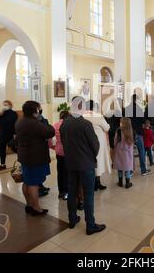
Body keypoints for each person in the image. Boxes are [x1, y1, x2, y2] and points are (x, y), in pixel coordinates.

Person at [60, 97, 106, 235]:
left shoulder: (64, 124)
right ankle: (90, 225)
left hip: (71, 163)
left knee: (72, 191)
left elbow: (63, 142)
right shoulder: (85, 124)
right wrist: (91, 155)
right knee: (88, 194)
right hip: (86, 164)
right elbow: (95, 145)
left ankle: (72, 219)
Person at [15, 101, 55, 216]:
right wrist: (45, 122)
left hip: (24, 156)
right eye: (39, 109)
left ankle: (29, 205)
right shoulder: (34, 123)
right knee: (34, 183)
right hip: (35, 157)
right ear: (35, 111)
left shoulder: (20, 121)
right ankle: (36, 208)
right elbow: (50, 132)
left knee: (26, 181)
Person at [83, 100, 112, 191]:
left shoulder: (82, 116)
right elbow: (106, 127)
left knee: (89, 161)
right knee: (98, 162)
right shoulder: (98, 116)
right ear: (94, 107)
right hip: (98, 141)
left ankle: (91, 183)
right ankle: (97, 183)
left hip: (86, 142)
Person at [124, 94, 152, 176]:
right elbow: (143, 120)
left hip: (129, 133)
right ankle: (143, 170)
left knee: (130, 152)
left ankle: (130, 170)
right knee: (141, 151)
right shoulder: (138, 109)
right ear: (136, 100)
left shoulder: (126, 109)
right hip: (138, 133)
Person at [50, 110, 70, 200]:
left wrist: (53, 147)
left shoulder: (55, 125)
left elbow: (49, 139)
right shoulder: (69, 125)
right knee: (68, 173)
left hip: (58, 152)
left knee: (60, 172)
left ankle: (61, 192)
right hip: (68, 152)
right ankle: (66, 192)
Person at [0, 100, 18, 172]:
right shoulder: (2, 113)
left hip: (10, 134)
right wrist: (0, 114)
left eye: (6, 105)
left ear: (10, 106)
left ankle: (22, 161)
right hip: (2, 134)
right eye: (4, 105)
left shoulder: (13, 113)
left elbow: (12, 122)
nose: (5, 106)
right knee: (2, 150)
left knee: (14, 148)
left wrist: (15, 134)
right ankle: (2, 164)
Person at [113, 118, 134, 189]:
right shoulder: (130, 131)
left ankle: (120, 182)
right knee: (127, 168)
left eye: (121, 122)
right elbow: (132, 143)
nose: (120, 123)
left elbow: (115, 141)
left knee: (120, 167)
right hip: (127, 153)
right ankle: (128, 183)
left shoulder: (118, 131)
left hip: (119, 152)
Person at [36, 105, 51, 197]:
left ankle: (41, 185)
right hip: (38, 149)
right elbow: (48, 131)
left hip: (42, 148)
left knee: (42, 169)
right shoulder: (37, 122)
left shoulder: (43, 119)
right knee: (38, 169)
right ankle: (38, 188)